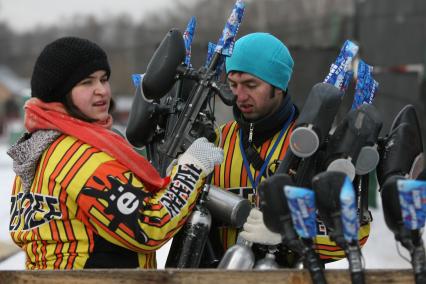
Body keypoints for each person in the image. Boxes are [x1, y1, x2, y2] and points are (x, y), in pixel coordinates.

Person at [7, 36, 223, 269]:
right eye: (86, 83)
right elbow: (150, 224)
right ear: (59, 92)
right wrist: (192, 168)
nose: (101, 90)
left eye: (104, 79)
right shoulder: (80, 159)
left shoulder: (39, 149)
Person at [208, 32, 370, 266]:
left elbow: (356, 231)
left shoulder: (316, 145)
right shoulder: (215, 141)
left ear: (278, 85)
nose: (239, 96)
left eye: (251, 85)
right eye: (233, 85)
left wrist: (290, 232)